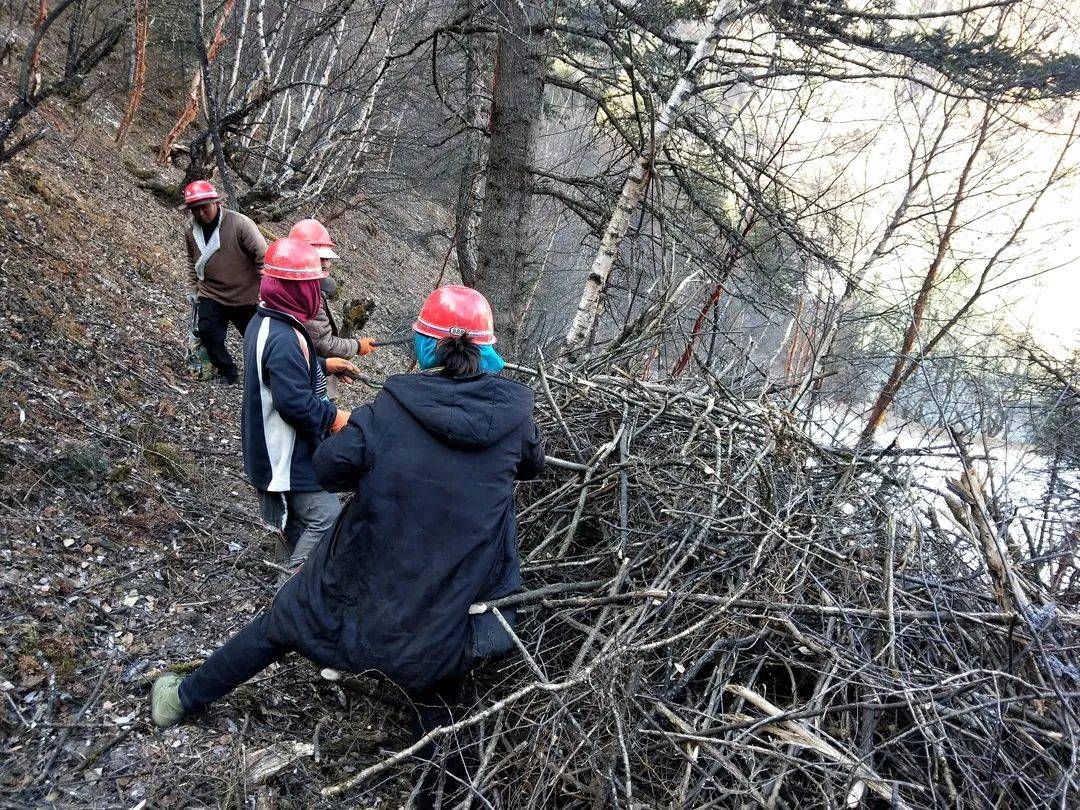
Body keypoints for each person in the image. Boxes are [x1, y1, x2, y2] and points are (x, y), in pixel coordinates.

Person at [151, 285, 544, 806]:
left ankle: (180, 699)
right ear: (485, 350)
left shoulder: (389, 410)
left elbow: (330, 468)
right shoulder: (515, 419)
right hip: (449, 607)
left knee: (282, 623)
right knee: (441, 699)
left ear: (425, 345)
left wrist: (357, 430)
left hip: (365, 582)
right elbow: (532, 467)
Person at [239, 237, 359, 571]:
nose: (318, 294)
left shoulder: (265, 321)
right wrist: (336, 417)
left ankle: (281, 601)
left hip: (265, 451)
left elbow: (278, 374)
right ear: (296, 289)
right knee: (327, 518)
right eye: (313, 287)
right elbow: (294, 403)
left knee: (290, 529)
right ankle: (292, 592)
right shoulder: (284, 337)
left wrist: (323, 366)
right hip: (285, 457)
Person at [182, 180, 267, 384]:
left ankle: (264, 378)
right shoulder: (191, 230)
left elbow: (263, 256)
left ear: (217, 203)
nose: (200, 213)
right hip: (212, 293)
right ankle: (228, 371)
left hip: (246, 296)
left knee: (257, 342)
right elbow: (191, 261)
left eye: (204, 207)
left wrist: (265, 289)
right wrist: (192, 288)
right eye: (195, 209)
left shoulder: (240, 224)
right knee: (208, 333)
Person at [287, 218, 377, 397]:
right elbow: (323, 343)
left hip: (306, 363)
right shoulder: (305, 296)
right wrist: (357, 346)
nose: (327, 264)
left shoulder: (292, 284)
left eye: (327, 258)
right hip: (304, 376)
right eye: (322, 258)